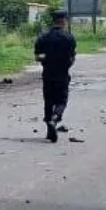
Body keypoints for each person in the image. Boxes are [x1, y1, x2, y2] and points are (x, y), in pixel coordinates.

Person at [35, 9, 77, 143]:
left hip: (47, 73)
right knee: (61, 100)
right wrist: (66, 65)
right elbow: (72, 57)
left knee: (48, 100)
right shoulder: (69, 38)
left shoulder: (43, 37)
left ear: (53, 21)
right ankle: (55, 118)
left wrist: (46, 60)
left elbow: (38, 56)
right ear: (64, 21)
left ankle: (49, 128)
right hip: (63, 73)